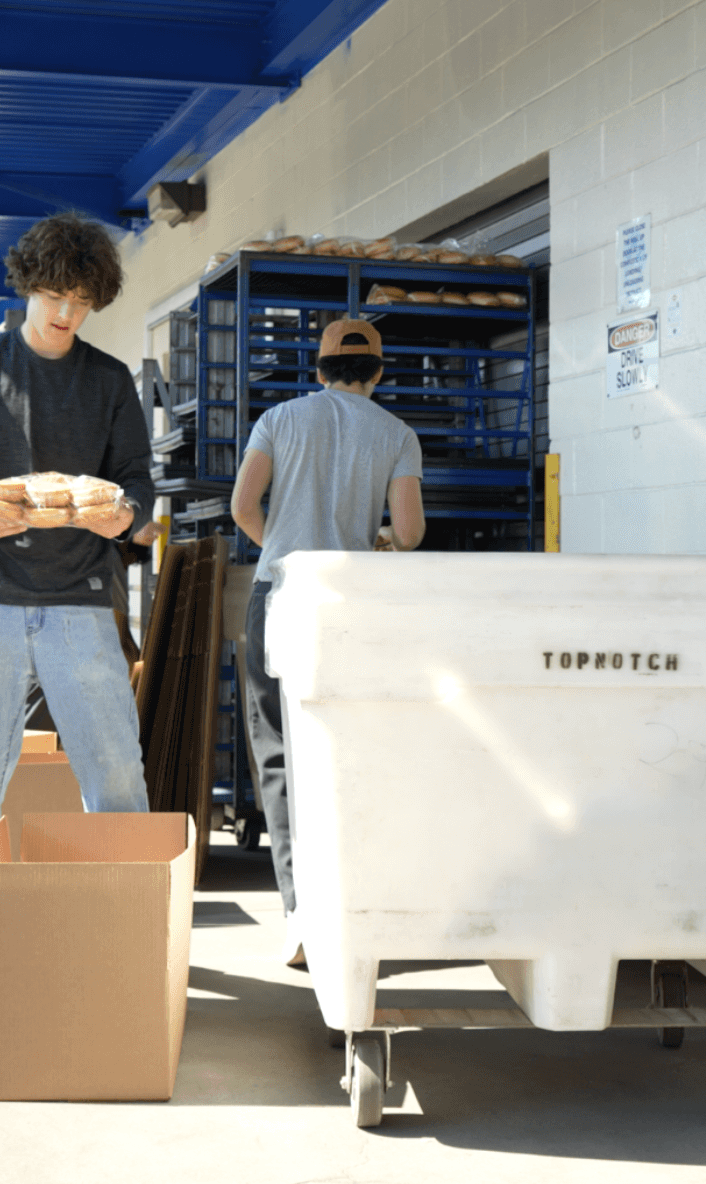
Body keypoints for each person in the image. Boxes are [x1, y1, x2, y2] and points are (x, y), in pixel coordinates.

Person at [0, 212, 154, 1014]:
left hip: (84, 599)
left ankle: (125, 941)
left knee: (116, 777)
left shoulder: (111, 382)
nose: (65, 315)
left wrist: (123, 516)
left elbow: (139, 486)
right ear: (25, 287)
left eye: (81, 302)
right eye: (53, 295)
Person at [230, 319, 424, 964]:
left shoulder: (278, 421)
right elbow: (412, 532)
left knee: (279, 750)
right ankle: (358, 905)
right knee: (352, 746)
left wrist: (282, 548)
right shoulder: (396, 434)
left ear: (317, 370)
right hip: (352, 603)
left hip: (280, 594)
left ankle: (300, 914)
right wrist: (375, 540)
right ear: (377, 372)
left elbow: (242, 506)